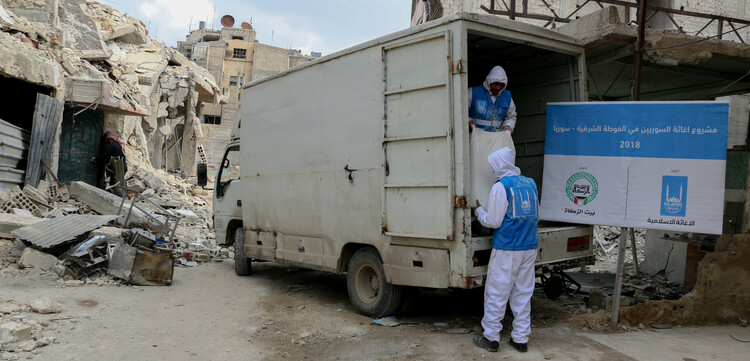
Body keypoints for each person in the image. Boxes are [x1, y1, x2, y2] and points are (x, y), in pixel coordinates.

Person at [471, 147, 538, 353]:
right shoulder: (530, 183)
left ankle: (491, 338)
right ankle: (520, 339)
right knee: (523, 294)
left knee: (497, 293)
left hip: (507, 248)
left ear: (500, 164)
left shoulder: (501, 187)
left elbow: (493, 221)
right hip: (529, 246)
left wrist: (479, 210)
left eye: (494, 165)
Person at [469, 65, 517, 133]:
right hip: (475, 137)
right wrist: (469, 122)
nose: (498, 87)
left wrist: (508, 126)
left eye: (501, 85)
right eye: (496, 84)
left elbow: (511, 117)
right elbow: (460, 112)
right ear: (489, 81)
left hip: (496, 138)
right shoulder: (473, 92)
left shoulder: (507, 96)